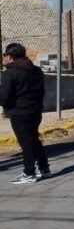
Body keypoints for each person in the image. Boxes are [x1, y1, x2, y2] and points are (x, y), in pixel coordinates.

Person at [0, 43, 50, 184]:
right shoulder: (36, 70)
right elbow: (41, 90)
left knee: (26, 143)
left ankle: (29, 172)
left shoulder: (10, 73)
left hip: (19, 112)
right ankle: (44, 168)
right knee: (34, 139)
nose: (4, 58)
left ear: (10, 57)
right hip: (35, 110)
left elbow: (4, 97)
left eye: (5, 55)